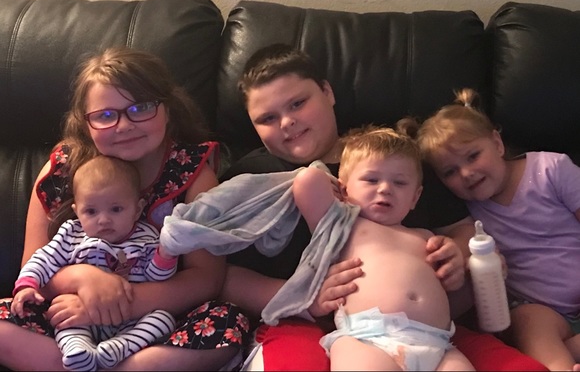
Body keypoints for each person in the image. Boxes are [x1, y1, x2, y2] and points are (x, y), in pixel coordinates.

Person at [219, 44, 509, 372]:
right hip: (300, 323)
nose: (287, 122)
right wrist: (302, 297)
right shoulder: (249, 179)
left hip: (432, 329)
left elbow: (464, 230)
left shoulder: (394, 156)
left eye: (298, 103)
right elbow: (225, 277)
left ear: (327, 92)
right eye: (267, 118)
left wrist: (456, 254)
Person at [0, 47, 249, 371]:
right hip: (69, 317)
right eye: (105, 115)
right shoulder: (61, 170)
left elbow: (205, 279)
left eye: (140, 108)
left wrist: (120, 304)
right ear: (85, 123)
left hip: (155, 320)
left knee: (228, 324)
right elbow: (32, 271)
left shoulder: (194, 173)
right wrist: (82, 278)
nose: (123, 125)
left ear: (168, 109)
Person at [412, 87, 580, 372]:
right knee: (528, 321)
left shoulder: (551, 168)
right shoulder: (468, 214)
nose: (466, 173)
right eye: (450, 172)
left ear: (497, 143)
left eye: (473, 156)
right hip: (541, 310)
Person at [292, 125, 474, 371]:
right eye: (371, 179)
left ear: (415, 197)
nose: (385, 188)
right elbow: (307, 182)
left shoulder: (426, 237)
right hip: (368, 338)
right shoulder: (346, 226)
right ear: (343, 190)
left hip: (438, 344)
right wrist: (335, 188)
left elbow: (454, 293)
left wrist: (457, 270)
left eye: (399, 182)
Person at [12, 155, 179, 371]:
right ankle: (78, 350)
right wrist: (27, 284)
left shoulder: (147, 238)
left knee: (163, 319)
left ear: (137, 209)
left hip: (132, 319)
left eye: (116, 209)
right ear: (77, 212)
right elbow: (44, 259)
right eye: (91, 211)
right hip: (78, 312)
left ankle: (119, 347)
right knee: (61, 316)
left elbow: (157, 277)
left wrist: (165, 255)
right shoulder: (71, 235)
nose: (103, 220)